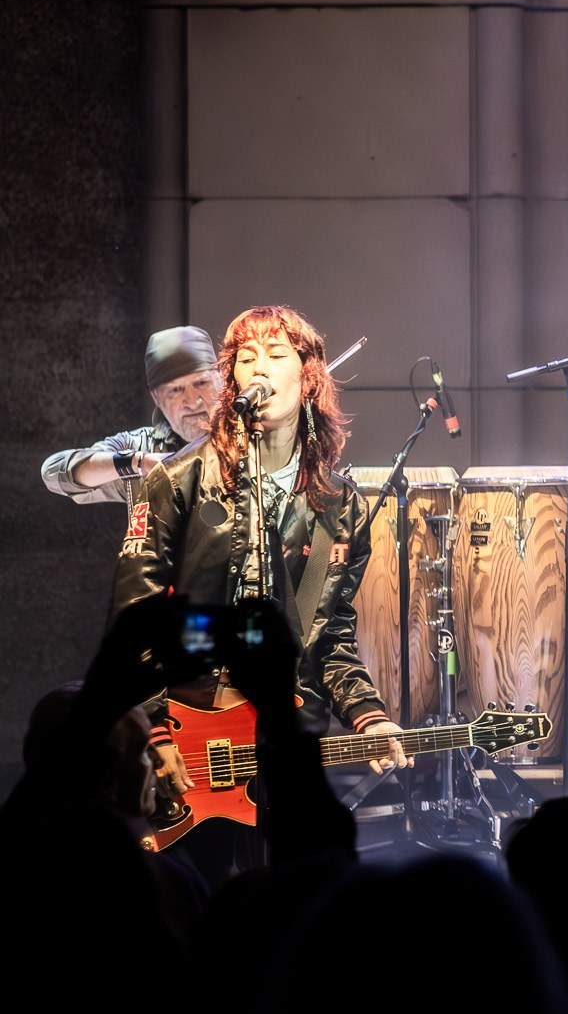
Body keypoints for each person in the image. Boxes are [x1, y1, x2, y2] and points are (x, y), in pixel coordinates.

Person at [111, 306, 407, 829]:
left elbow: (329, 636)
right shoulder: (176, 481)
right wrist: (154, 730)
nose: (260, 369)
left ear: (308, 377)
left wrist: (368, 714)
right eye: (246, 358)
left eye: (275, 354)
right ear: (232, 381)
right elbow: (136, 613)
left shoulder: (342, 509)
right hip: (189, 739)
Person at [42, 324, 221, 507]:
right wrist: (138, 463)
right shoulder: (141, 445)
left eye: (201, 383)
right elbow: (54, 473)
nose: (192, 401)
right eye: (176, 389)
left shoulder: (248, 439)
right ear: (156, 398)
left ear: (221, 381)